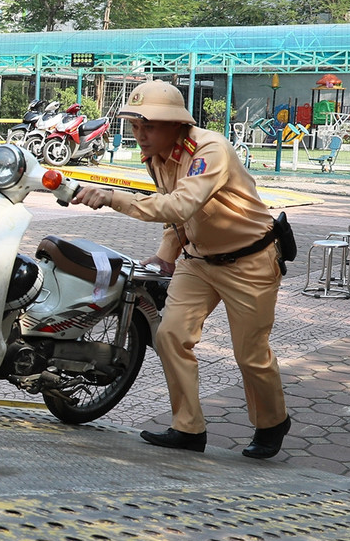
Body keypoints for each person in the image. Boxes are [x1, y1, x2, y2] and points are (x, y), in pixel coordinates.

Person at [71, 80, 291, 459]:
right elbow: (177, 221)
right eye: (136, 126)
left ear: (176, 124)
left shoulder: (209, 149)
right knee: (170, 335)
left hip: (250, 260)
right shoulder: (157, 154)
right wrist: (166, 254)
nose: (140, 135)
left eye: (149, 126)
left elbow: (179, 206)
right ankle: (188, 427)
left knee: (250, 353)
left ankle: (272, 422)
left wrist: (112, 197)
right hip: (199, 259)